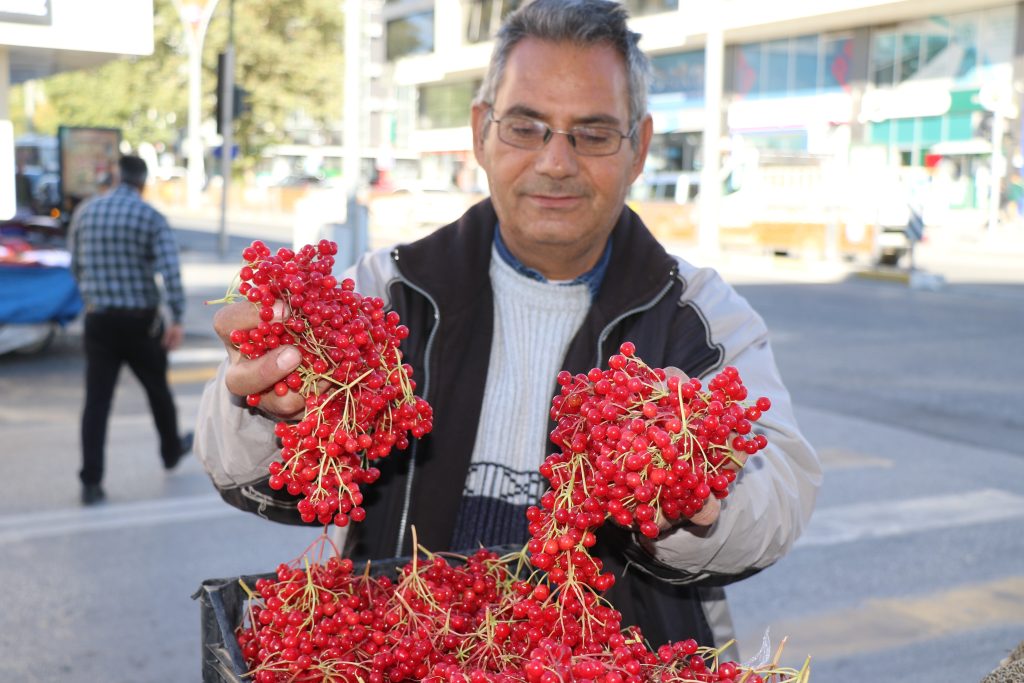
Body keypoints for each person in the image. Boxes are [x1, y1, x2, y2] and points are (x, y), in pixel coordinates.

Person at [195, 0, 821, 656]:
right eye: (527, 127)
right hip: (410, 653)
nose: (556, 161)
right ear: (481, 133)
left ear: (638, 148)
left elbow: (781, 486)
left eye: (594, 132)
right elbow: (238, 467)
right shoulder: (384, 294)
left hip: (612, 663)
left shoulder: (700, 315)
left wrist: (694, 495)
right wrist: (263, 406)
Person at [69, 154, 193, 506]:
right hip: (140, 323)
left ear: (115, 176)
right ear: (142, 182)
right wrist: (178, 318)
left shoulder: (86, 212)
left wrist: (94, 296)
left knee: (96, 402)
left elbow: (75, 266)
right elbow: (170, 272)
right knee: (158, 391)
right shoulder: (150, 217)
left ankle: (91, 481)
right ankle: (170, 451)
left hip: (100, 320)